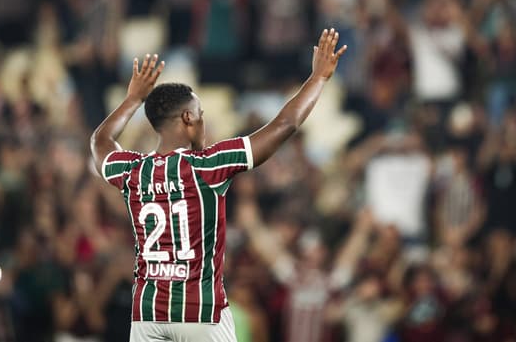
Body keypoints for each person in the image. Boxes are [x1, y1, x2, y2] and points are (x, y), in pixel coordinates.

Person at [90, 29, 347, 341]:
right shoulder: (208, 165)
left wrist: (133, 99)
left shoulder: (134, 170)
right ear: (187, 118)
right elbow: (285, 124)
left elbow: (100, 142)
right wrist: (318, 78)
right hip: (200, 313)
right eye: (200, 115)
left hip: (148, 315)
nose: (204, 123)